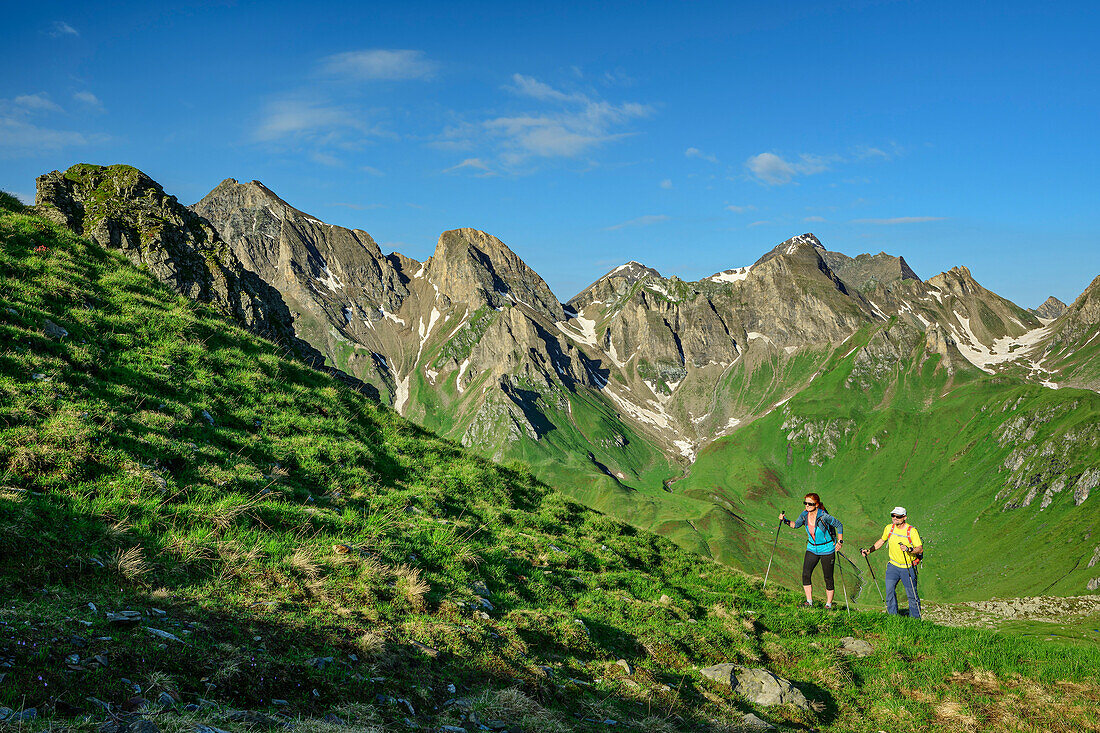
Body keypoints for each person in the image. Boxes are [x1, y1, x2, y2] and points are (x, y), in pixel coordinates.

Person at [779, 493, 844, 608]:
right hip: (812, 548)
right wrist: (785, 520)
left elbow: (839, 525)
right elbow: (795, 525)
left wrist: (840, 542)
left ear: (817, 504)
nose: (807, 505)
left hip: (827, 549)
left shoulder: (824, 516)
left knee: (828, 577)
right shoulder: (804, 515)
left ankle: (828, 605)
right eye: (805, 503)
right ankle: (809, 602)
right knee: (805, 574)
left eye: (810, 503)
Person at [861, 506, 922, 619]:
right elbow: (882, 541)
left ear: (904, 517)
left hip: (907, 567)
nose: (894, 518)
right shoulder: (889, 528)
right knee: (889, 591)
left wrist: (909, 549)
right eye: (893, 515)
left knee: (912, 595)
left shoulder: (911, 531)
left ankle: (916, 620)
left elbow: (920, 548)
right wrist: (869, 551)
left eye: (897, 516)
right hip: (893, 566)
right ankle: (892, 617)